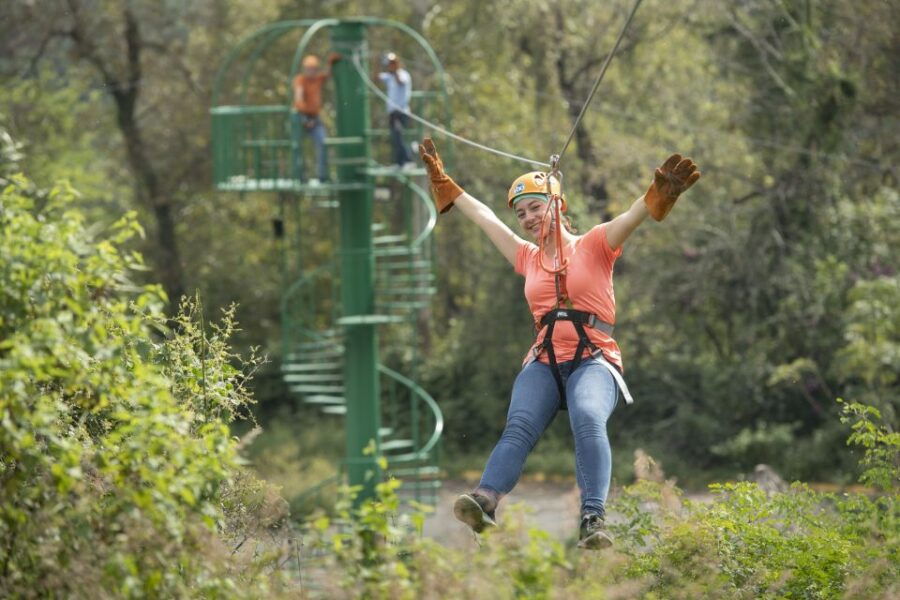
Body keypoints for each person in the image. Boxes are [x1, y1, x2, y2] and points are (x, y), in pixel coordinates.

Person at [418, 138, 700, 549]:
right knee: (518, 427)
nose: (528, 218)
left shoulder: (597, 244)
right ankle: (485, 501)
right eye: (521, 213)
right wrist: (447, 186)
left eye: (536, 206)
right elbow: (483, 218)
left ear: (558, 205)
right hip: (546, 360)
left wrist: (655, 195)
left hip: (594, 360)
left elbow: (632, 215)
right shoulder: (526, 257)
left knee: (587, 416)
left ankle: (592, 518)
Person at [291, 53, 340, 183]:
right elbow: (298, 98)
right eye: (309, 69)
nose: (311, 71)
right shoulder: (300, 80)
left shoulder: (318, 79)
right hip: (302, 117)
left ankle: (322, 175)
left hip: (315, 117)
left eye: (313, 69)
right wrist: (305, 118)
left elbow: (327, 74)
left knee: (322, 142)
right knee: (298, 146)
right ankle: (300, 176)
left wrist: (331, 62)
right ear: (304, 69)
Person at [377, 52, 413, 167]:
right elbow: (376, 77)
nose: (391, 66)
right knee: (395, 137)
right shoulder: (389, 76)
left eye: (393, 63)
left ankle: (408, 160)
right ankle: (399, 162)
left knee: (399, 135)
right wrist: (377, 63)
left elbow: (400, 82)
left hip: (402, 112)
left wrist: (396, 68)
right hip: (392, 113)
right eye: (390, 64)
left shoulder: (403, 75)